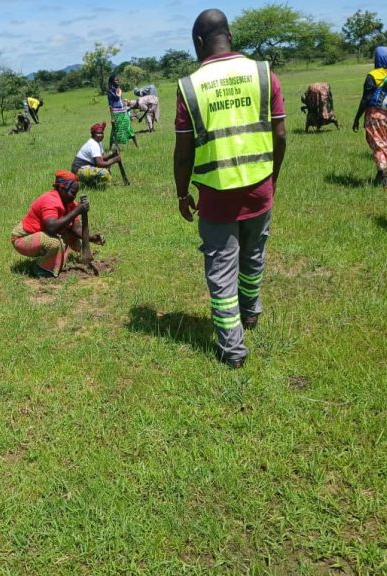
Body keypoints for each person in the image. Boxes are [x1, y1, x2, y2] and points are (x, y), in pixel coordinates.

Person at [174, 8, 286, 369]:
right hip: (260, 188)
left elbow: (184, 152)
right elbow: (280, 135)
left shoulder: (190, 86)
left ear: (199, 42)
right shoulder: (264, 74)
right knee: (253, 257)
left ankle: (232, 351)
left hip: (216, 197)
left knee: (221, 273)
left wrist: (182, 194)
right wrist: (272, 177)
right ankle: (250, 312)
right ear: (231, 36)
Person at [11, 170, 104, 277]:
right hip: (22, 238)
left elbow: (76, 228)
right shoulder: (50, 200)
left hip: (40, 235)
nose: (74, 196)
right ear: (61, 188)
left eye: (75, 193)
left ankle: (54, 262)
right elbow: (51, 228)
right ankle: (40, 269)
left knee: (68, 234)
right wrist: (76, 211)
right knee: (54, 243)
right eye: (72, 193)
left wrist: (91, 238)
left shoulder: (70, 203)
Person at [352, 46, 387, 187]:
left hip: (376, 117)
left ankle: (386, 179)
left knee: (378, 146)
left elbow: (366, 99)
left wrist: (357, 118)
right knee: (383, 144)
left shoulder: (372, 76)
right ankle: (380, 174)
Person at [70, 122, 122, 187]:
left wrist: (111, 155)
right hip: (79, 171)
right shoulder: (93, 144)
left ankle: (91, 183)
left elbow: (102, 157)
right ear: (93, 134)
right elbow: (100, 163)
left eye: (102, 133)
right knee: (104, 173)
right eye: (98, 133)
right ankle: (90, 183)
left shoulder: (99, 142)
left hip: (86, 168)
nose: (100, 135)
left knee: (107, 165)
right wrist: (114, 160)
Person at [107, 74, 138, 149]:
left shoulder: (119, 89)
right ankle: (113, 148)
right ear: (112, 82)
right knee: (116, 130)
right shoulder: (110, 92)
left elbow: (121, 101)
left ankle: (137, 146)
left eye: (118, 80)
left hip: (124, 112)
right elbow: (110, 105)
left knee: (129, 128)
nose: (118, 81)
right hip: (116, 113)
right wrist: (112, 118)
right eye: (116, 80)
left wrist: (127, 108)